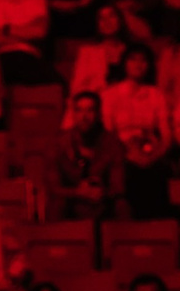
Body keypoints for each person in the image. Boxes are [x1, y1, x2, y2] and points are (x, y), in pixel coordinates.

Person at [53, 91, 128, 221]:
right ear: (73, 114)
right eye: (79, 110)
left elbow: (118, 186)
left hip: (102, 203)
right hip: (71, 202)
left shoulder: (113, 144)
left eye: (90, 110)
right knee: (57, 205)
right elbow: (52, 187)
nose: (84, 116)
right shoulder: (59, 144)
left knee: (122, 205)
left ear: (99, 114)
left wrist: (101, 191)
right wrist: (78, 192)